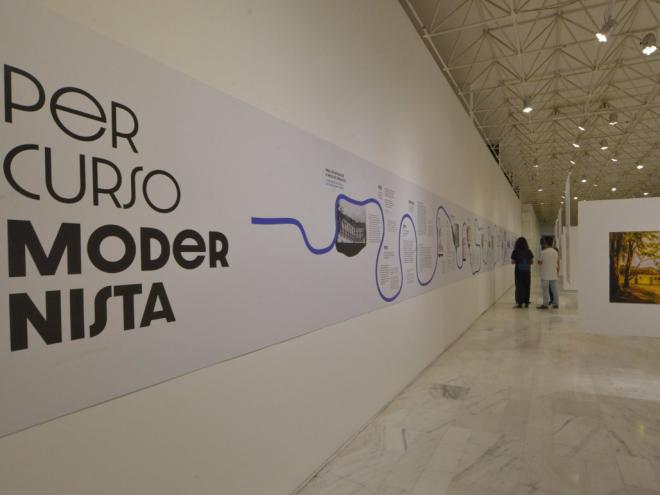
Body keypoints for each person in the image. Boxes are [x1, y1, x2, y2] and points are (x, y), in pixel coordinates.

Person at [537, 236, 560, 309]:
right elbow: (557, 261)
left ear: (545, 243)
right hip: (553, 273)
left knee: (545, 290)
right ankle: (556, 303)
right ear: (552, 243)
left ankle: (545, 304)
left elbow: (540, 262)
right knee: (554, 289)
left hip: (545, 274)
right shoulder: (555, 252)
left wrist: (539, 262)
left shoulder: (543, 252)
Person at [511, 237, 533, 308]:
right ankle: (526, 302)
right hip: (527, 271)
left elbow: (513, 262)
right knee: (527, 286)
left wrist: (518, 261)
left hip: (518, 271)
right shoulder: (529, 251)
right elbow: (531, 262)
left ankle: (519, 303)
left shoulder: (515, 251)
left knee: (519, 286)